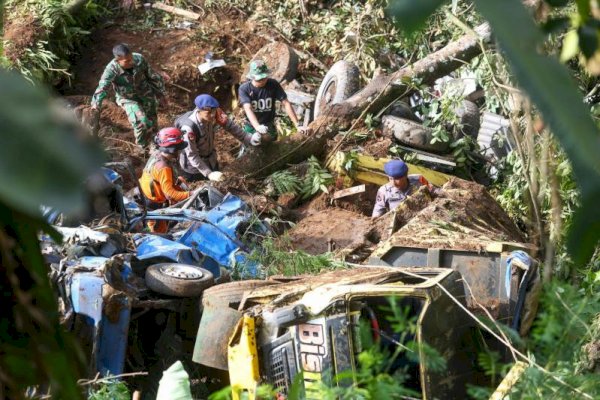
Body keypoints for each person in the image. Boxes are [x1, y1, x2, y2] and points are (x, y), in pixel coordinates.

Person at [90, 43, 167, 147]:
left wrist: (160, 94)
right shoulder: (111, 70)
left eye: (131, 58)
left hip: (146, 94)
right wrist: (96, 105)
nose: (132, 62)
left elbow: (151, 76)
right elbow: (102, 88)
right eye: (127, 61)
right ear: (118, 61)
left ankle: (155, 143)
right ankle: (141, 147)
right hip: (128, 99)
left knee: (152, 121)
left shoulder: (139, 59)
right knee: (141, 122)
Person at [175, 94, 262, 182]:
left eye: (213, 112)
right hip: (194, 169)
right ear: (199, 110)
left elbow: (229, 125)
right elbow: (192, 155)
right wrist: (208, 173)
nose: (212, 115)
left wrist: (247, 137)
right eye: (208, 113)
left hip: (211, 160)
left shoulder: (213, 110)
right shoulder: (189, 129)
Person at [238, 60, 310, 143]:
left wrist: (298, 125)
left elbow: (286, 103)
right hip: (251, 125)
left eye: (264, 78)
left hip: (268, 124)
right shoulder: (244, 88)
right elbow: (248, 108)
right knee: (250, 148)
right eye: (259, 79)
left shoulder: (273, 84)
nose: (262, 81)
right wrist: (257, 127)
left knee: (271, 147)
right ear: (252, 77)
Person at [139, 127, 190, 232]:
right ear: (173, 149)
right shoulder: (163, 167)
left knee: (181, 180)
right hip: (153, 206)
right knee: (159, 234)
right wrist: (191, 194)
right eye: (179, 148)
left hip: (143, 195)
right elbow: (170, 194)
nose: (180, 151)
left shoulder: (156, 155)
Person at [372, 159, 437, 218]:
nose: (393, 183)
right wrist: (376, 217)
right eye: (391, 178)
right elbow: (378, 209)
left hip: (425, 214)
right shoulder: (383, 191)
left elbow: (434, 191)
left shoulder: (419, 179)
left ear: (405, 176)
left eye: (397, 179)